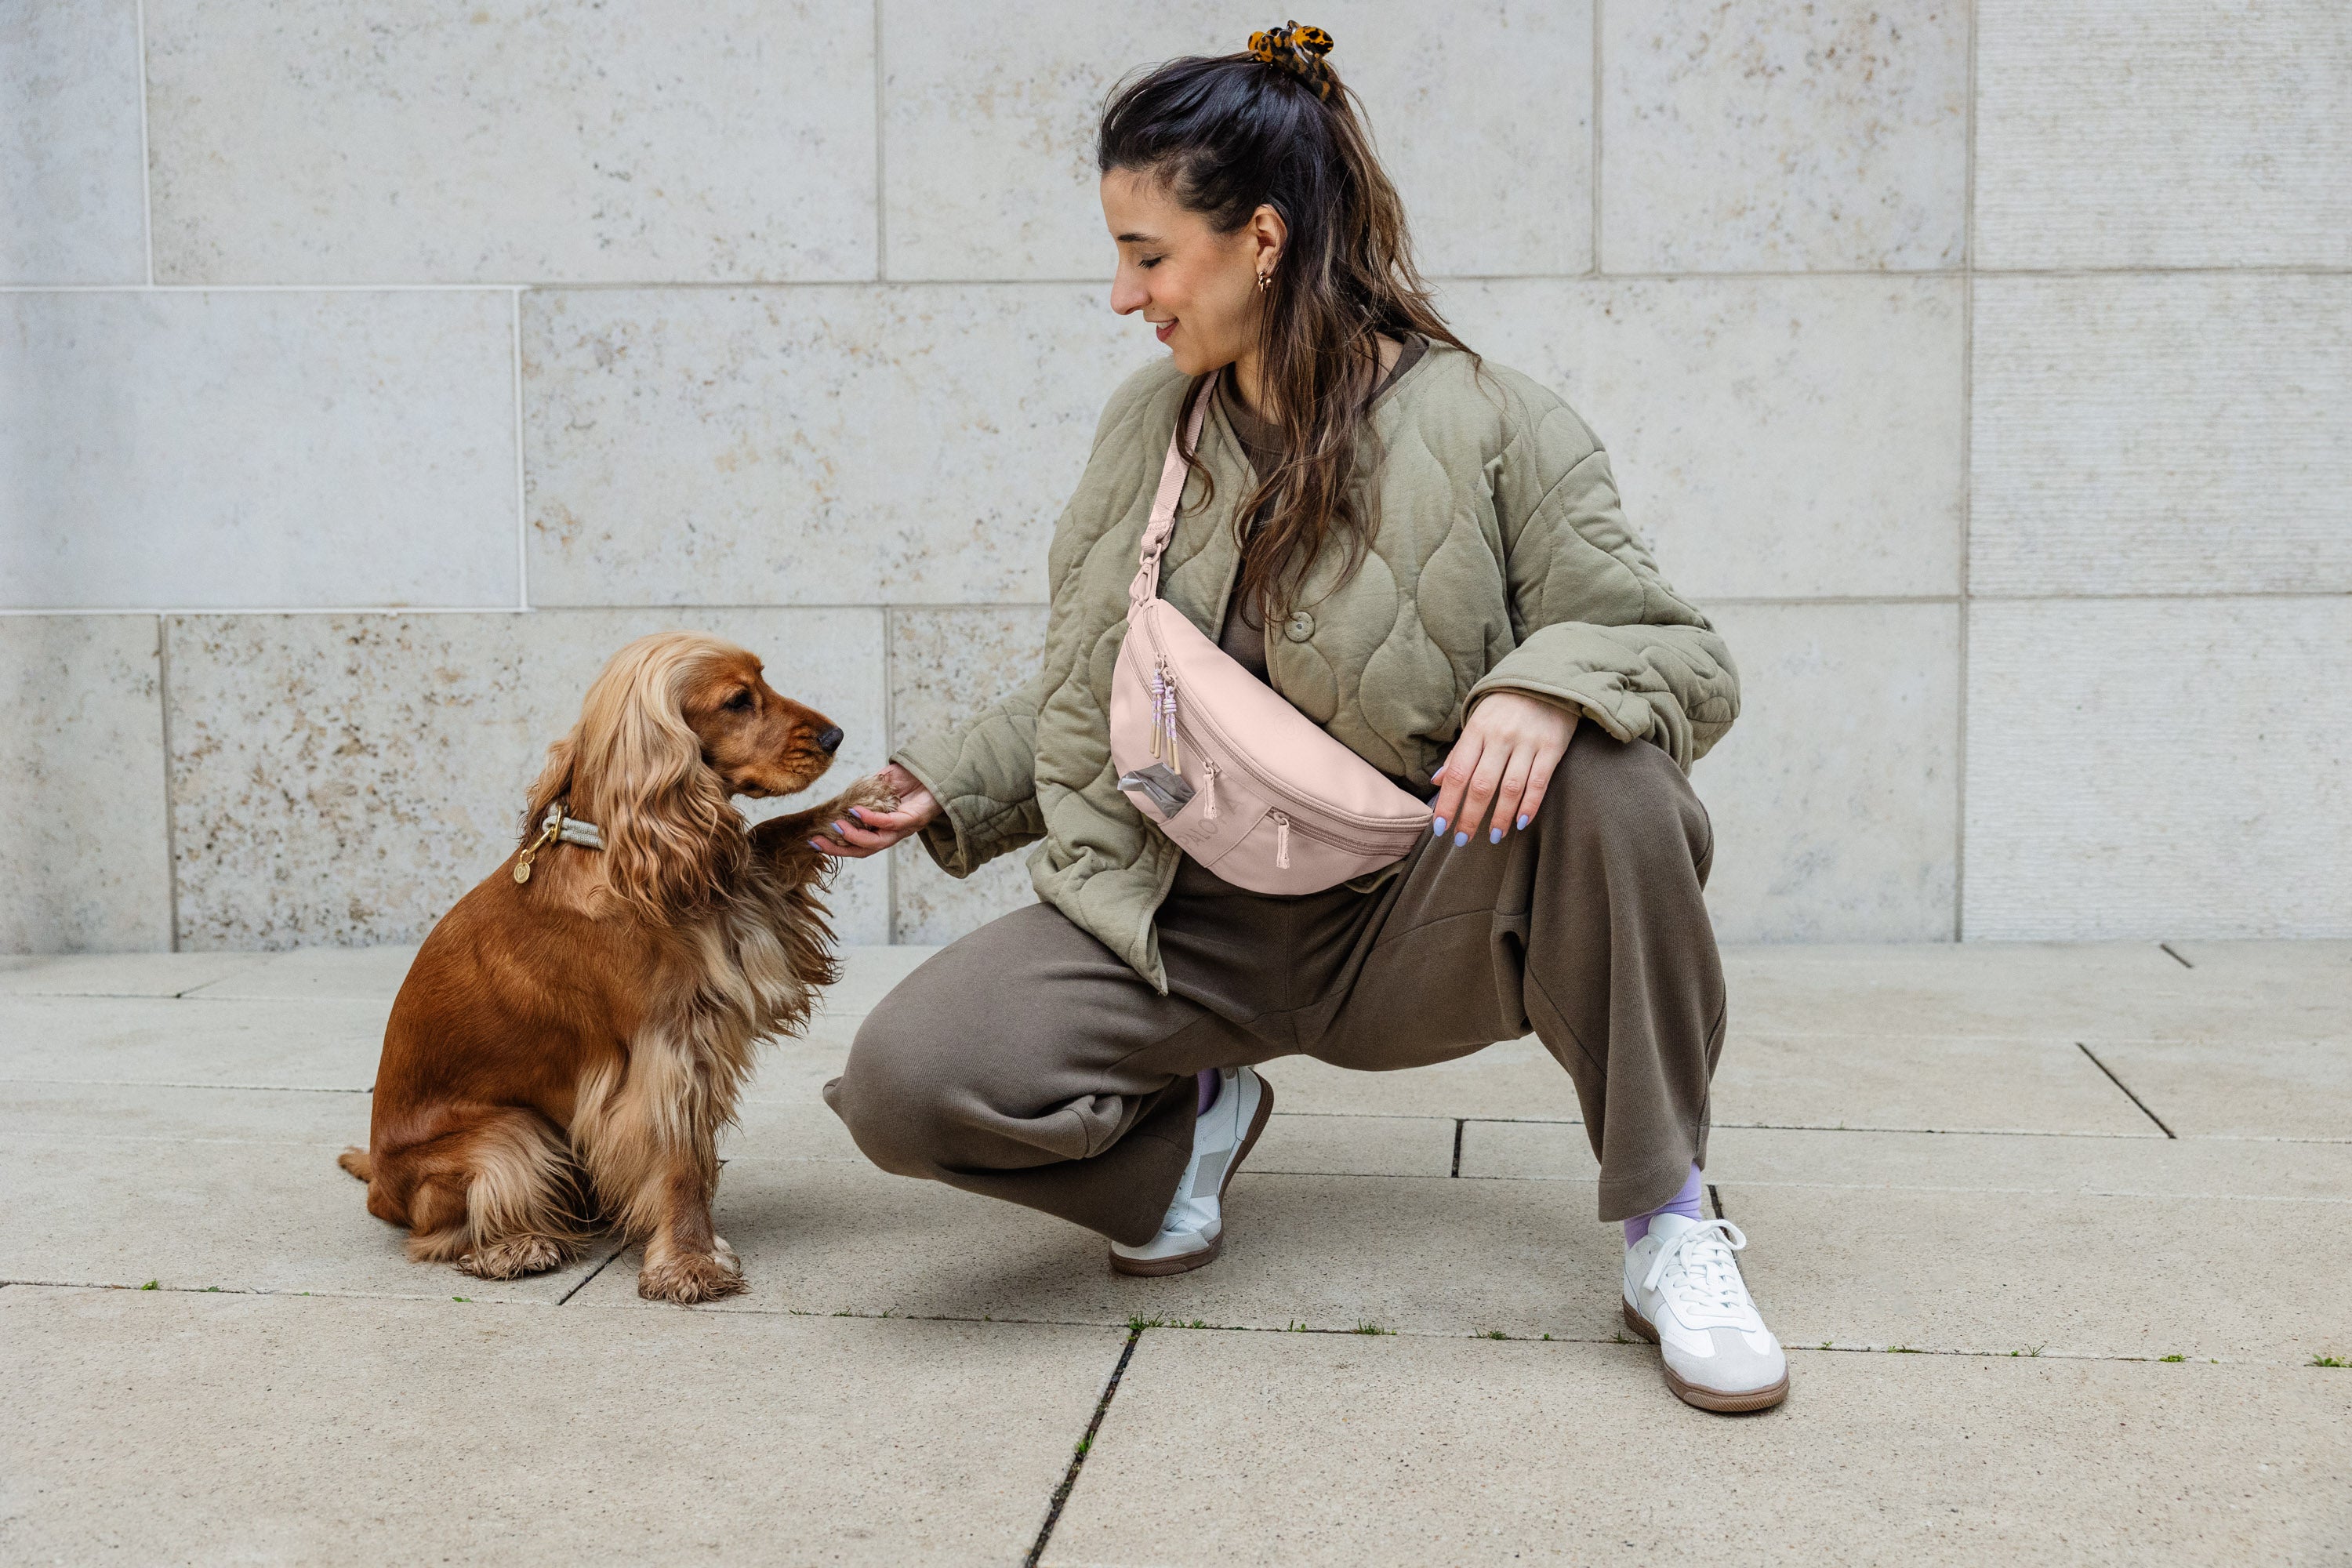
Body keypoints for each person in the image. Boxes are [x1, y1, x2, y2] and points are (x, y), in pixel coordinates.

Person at [810, 24, 1784, 1414]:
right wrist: (945, 782)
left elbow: (1674, 652)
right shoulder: (1149, 426)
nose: (1122, 293)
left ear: (1261, 239)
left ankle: (1671, 1222)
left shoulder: (1498, 421)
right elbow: (1111, 672)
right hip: (1181, 919)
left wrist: (1544, 688)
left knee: (1622, 785)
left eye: (1149, 254)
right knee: (906, 1084)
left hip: (1413, 917)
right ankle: (1194, 1128)